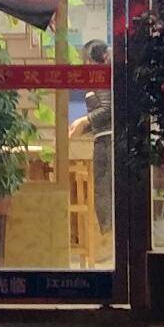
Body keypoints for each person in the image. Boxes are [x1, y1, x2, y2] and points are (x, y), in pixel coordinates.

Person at [67, 39, 113, 235]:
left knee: (105, 191)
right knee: (102, 190)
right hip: (102, 139)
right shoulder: (100, 80)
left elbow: (108, 109)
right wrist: (82, 126)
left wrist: (85, 120)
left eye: (88, 60)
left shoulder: (103, 78)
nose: (85, 65)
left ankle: (109, 235)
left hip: (108, 142)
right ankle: (108, 233)